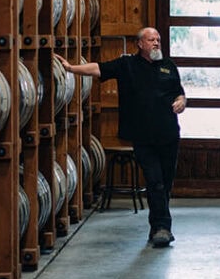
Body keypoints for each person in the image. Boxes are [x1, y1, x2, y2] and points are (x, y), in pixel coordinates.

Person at [56, 27, 186, 248]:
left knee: (165, 183)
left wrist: (182, 101)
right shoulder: (127, 65)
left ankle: (158, 226)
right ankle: (162, 228)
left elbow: (179, 92)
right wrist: (70, 68)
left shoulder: (168, 66)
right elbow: (98, 68)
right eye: (151, 40)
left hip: (169, 134)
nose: (156, 43)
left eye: (158, 39)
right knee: (155, 183)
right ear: (140, 44)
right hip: (143, 136)